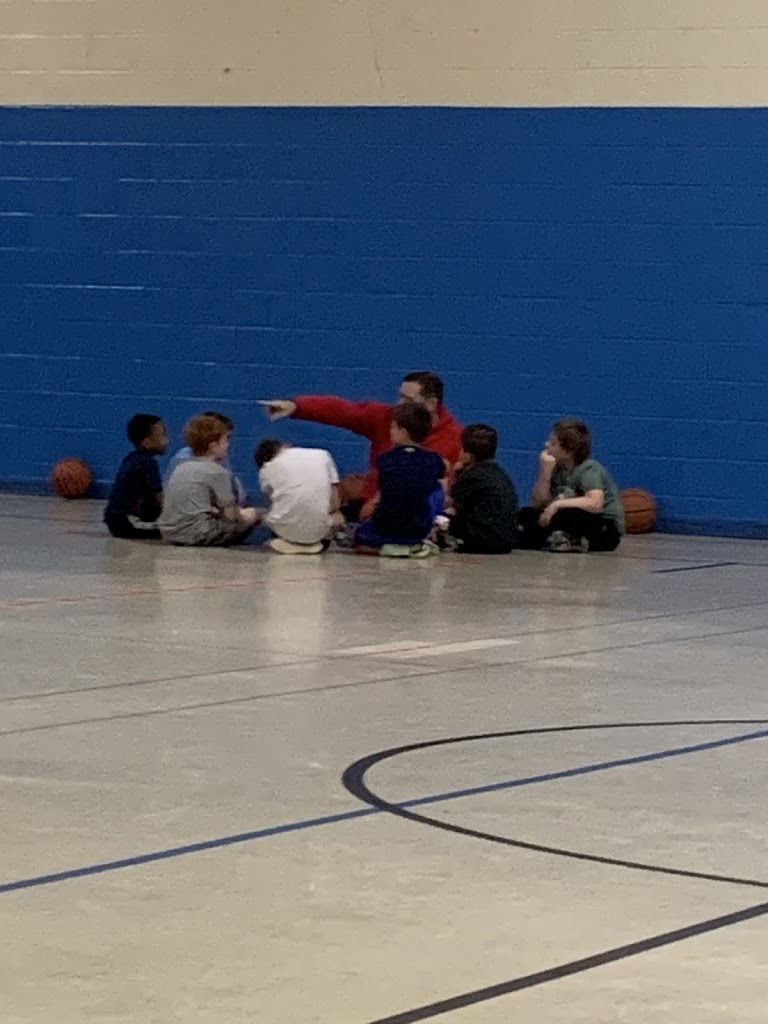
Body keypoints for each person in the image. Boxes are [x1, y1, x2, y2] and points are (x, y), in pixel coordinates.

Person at [261, 371, 462, 510]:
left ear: (432, 403)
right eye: (400, 396)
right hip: (374, 505)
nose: (399, 404)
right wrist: (297, 406)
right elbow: (345, 411)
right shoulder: (386, 417)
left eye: (408, 399)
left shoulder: (454, 437)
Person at [353, 402, 446, 558]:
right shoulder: (434, 459)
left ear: (403, 432)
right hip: (418, 530)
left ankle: (384, 549)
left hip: (384, 528)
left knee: (359, 538)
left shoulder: (385, 459)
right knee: (438, 486)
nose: (390, 431)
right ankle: (420, 540)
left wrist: (363, 515)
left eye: (392, 427)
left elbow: (380, 496)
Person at [517, 418, 625, 552]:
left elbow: (595, 503)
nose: (546, 445)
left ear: (568, 451)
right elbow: (538, 502)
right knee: (526, 514)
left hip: (603, 525)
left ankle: (563, 539)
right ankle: (557, 538)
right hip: (565, 518)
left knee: (569, 516)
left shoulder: (589, 469)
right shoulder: (555, 467)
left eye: (553, 443)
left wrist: (556, 505)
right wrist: (545, 473)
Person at [158, 414, 259, 546]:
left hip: (169, 532)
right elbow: (231, 515)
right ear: (214, 446)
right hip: (197, 534)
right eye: (226, 440)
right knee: (253, 514)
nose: (228, 445)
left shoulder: (181, 467)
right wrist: (246, 516)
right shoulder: (217, 471)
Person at [255, 439, 344, 555]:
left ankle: (288, 540)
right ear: (287, 445)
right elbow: (335, 504)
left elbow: (272, 504)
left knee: (261, 513)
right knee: (338, 516)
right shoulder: (323, 455)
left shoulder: (266, 469)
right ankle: (320, 539)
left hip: (284, 531)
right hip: (318, 533)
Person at [444, 424, 519, 554]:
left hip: (484, 540)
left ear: (468, 455)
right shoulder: (499, 473)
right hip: (506, 539)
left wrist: (449, 474)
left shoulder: (473, 475)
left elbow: (447, 502)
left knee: (440, 517)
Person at [104, 413, 168, 539]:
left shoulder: (131, 458)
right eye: (163, 436)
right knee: (173, 531)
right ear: (147, 442)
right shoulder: (148, 462)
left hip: (114, 520)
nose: (167, 441)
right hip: (127, 522)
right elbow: (159, 497)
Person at [166, 410, 247, 504]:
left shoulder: (220, 458)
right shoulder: (183, 459)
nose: (228, 444)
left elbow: (231, 486)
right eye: (226, 438)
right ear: (213, 442)